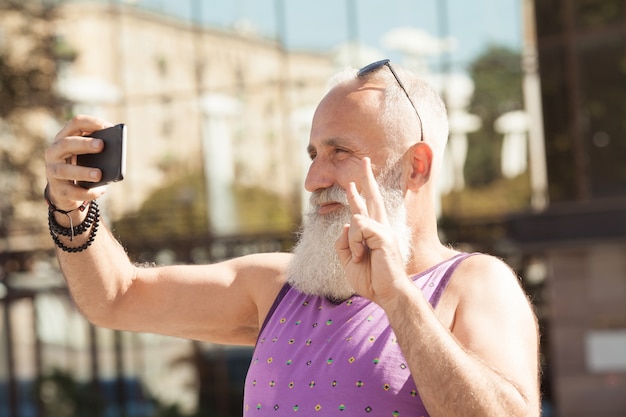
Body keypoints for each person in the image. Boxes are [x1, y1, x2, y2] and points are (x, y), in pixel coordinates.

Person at [44, 59, 540, 417]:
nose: (314, 179)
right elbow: (118, 297)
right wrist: (70, 208)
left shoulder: (475, 283)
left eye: (339, 151)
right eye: (312, 154)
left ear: (416, 166)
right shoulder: (279, 286)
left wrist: (397, 299)